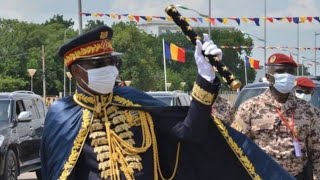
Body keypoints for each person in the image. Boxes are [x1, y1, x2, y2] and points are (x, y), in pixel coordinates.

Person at [41, 26, 293, 180]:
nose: (108, 68)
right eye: (98, 64)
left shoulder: (134, 103)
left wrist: (205, 77)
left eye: (112, 62)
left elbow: (190, 133)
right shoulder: (63, 115)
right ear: (75, 71)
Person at [231, 53, 320, 179]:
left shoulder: (308, 111)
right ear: (268, 76)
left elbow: (317, 154)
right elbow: (236, 148)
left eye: (290, 72)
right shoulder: (249, 108)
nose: (286, 76)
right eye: (280, 71)